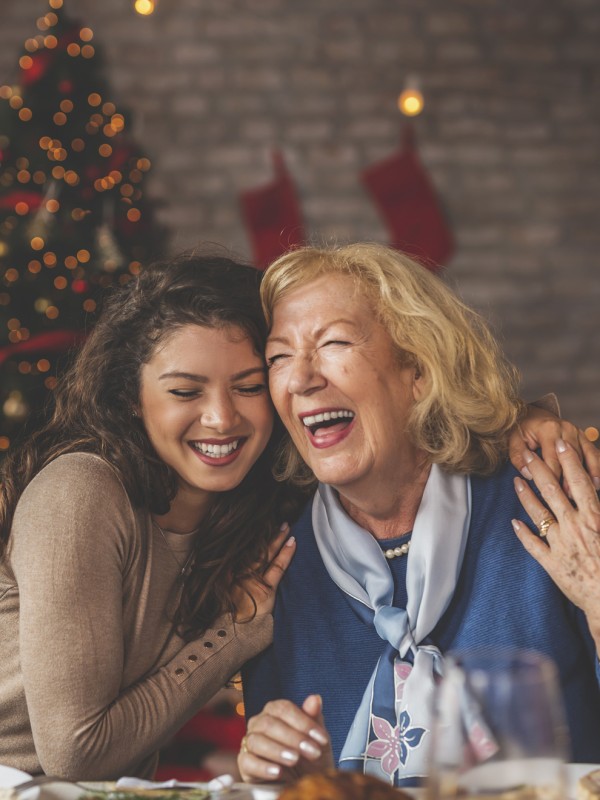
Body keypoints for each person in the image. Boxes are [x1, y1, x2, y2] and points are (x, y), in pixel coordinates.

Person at [238, 243, 600, 787]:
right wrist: (287, 773)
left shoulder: (547, 501)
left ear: (421, 373)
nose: (300, 377)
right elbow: (297, 780)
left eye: (333, 342)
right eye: (278, 357)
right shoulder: (280, 560)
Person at [0, 253, 307, 780]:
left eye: (249, 387)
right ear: (131, 399)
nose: (222, 418)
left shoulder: (249, 508)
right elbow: (77, 756)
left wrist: (502, 434)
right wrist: (234, 634)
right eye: (185, 391)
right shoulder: (79, 493)